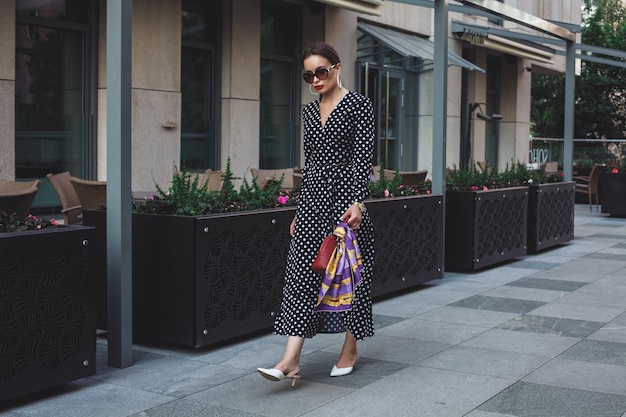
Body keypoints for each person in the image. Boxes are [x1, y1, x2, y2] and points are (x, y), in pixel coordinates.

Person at [257, 41, 375, 387]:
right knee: (300, 277)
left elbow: (362, 159)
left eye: (321, 71)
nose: (315, 79)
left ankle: (350, 349)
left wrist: (357, 202)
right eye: (309, 75)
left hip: (345, 203)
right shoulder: (310, 112)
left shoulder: (358, 105)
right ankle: (290, 359)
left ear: (337, 68)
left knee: (349, 277)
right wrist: (300, 207)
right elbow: (309, 166)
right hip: (312, 204)